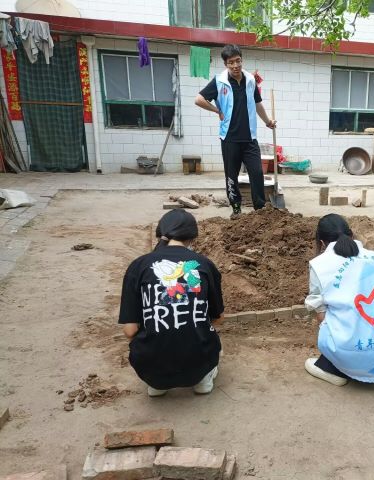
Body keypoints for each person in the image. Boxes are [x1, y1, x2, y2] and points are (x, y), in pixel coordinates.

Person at [118, 209, 224, 396]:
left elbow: (130, 331)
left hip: (151, 369)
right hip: (198, 360)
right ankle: (202, 380)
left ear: (161, 234)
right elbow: (218, 319)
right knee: (210, 337)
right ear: (193, 236)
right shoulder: (203, 264)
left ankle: (159, 385)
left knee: (153, 344)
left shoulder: (139, 266)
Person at [304, 214, 374, 386]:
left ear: (322, 243)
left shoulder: (320, 265)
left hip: (351, 351)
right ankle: (373, 360)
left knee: (328, 321)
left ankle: (336, 367)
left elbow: (321, 318)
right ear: (351, 235)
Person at [195, 44, 276, 219]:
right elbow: (199, 99)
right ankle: (236, 209)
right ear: (226, 64)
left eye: (238, 61)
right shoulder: (219, 81)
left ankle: (260, 209)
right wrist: (217, 111)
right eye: (231, 62)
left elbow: (257, 103)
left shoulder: (250, 80)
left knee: (257, 173)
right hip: (230, 138)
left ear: (242, 60)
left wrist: (268, 121)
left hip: (249, 138)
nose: (235, 66)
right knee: (231, 176)